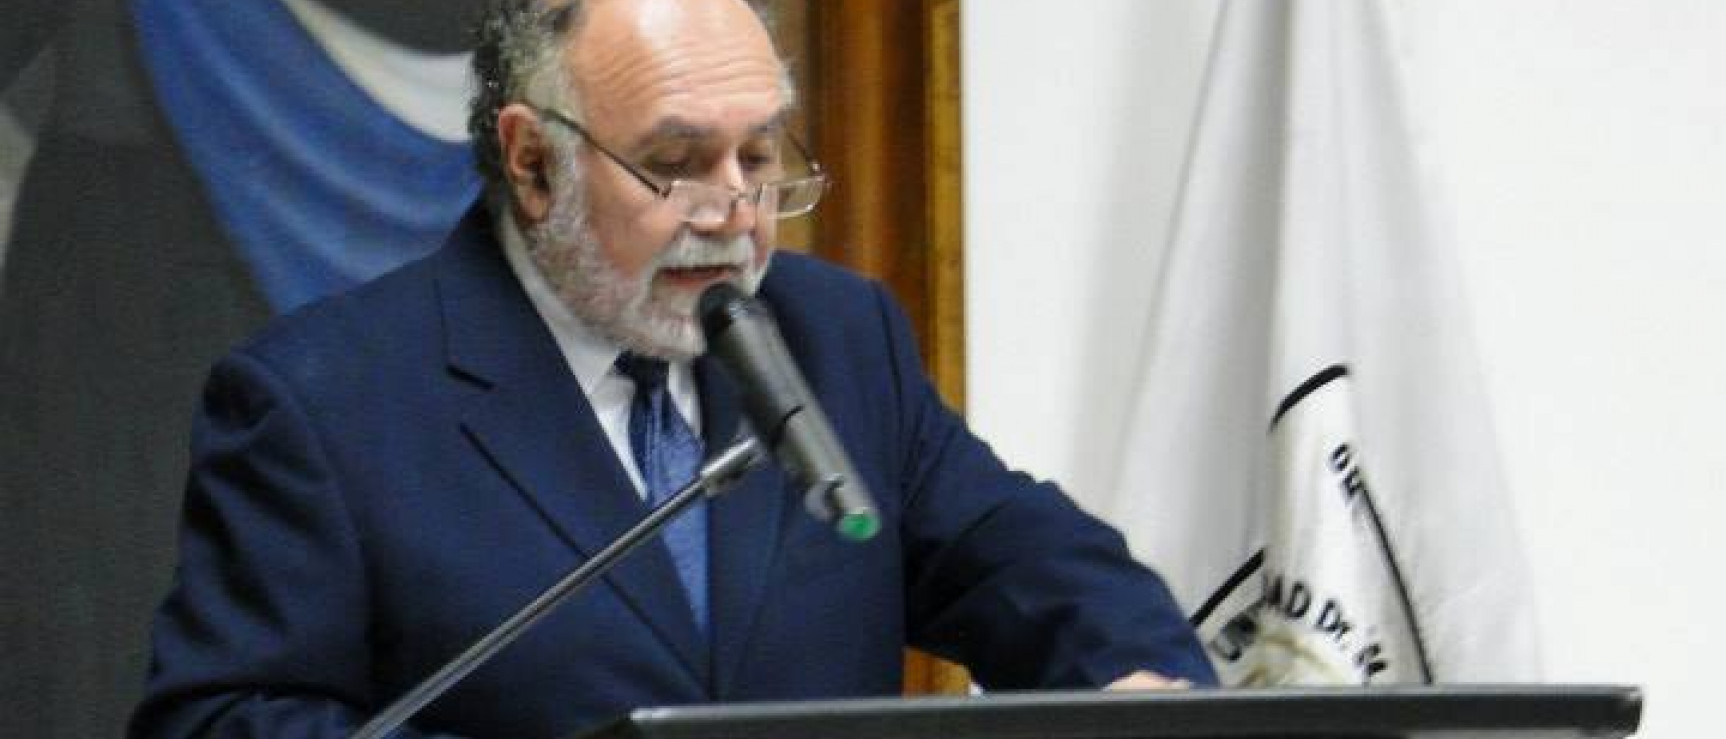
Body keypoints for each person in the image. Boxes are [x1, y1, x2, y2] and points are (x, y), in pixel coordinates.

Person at [130, 0, 1216, 736]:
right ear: (532, 161)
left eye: (760, 155)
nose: (735, 214)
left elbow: (1016, 558)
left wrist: (1137, 689)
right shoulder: (322, 401)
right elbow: (223, 720)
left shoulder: (835, 338)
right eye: (676, 163)